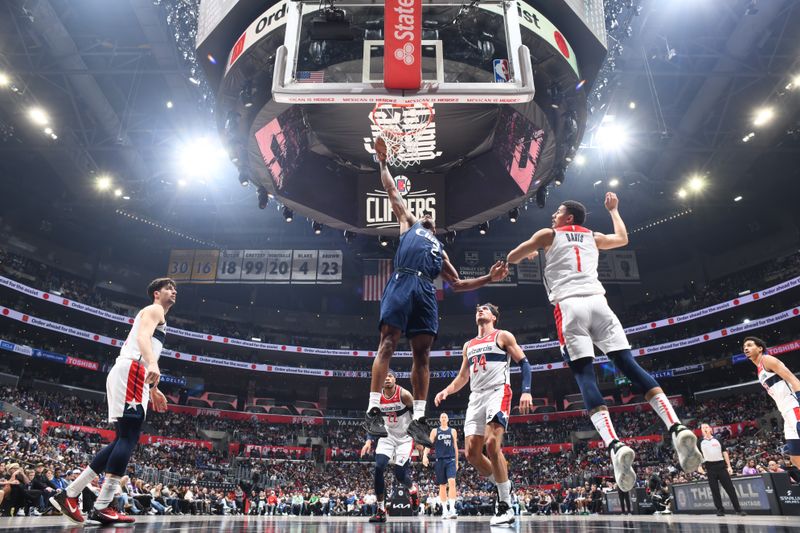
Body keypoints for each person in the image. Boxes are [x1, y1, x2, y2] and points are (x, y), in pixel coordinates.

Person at [505, 193, 702, 491]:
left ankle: (614, 444)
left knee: (585, 377)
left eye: (558, 212)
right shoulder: (593, 237)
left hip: (569, 308)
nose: (553, 216)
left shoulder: (548, 234)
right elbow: (622, 238)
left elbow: (511, 256)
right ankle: (676, 426)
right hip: (600, 304)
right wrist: (614, 210)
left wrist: (532, 252)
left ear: (569, 218)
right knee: (628, 364)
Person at [364, 137, 509, 447]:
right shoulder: (408, 223)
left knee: (422, 354)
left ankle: (418, 417)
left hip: (425, 292)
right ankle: (373, 410)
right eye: (426, 214)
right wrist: (382, 161)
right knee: (388, 342)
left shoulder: (440, 251)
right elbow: (391, 190)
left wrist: (488, 278)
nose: (429, 215)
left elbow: (457, 284)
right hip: (403, 281)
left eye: (433, 217)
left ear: (437, 229)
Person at [50, 278, 176, 525]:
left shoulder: (159, 315)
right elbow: (142, 338)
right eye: (169, 288)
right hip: (132, 370)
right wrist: (152, 365)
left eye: (175, 289)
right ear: (156, 293)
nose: (174, 291)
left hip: (134, 373)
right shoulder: (155, 309)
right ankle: (101, 504)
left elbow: (144, 346)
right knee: (129, 437)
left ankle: (72, 494)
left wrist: (153, 388)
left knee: (123, 438)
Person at [434, 303, 533, 525]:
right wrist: (446, 391)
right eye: (478, 309)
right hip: (476, 397)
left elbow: (525, 364)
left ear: (494, 317)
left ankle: (505, 505)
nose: (480, 310)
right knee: (471, 454)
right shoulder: (468, 345)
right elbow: (462, 377)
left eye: (486, 309)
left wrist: (526, 391)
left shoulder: (503, 336)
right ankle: (505, 484)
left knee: (492, 444)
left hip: (498, 391)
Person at [360, 370, 421, 523]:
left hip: (405, 438)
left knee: (400, 475)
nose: (387, 378)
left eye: (390, 376)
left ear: (395, 379)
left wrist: (419, 438)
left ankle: (412, 490)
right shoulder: (377, 398)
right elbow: (372, 420)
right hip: (387, 436)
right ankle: (381, 510)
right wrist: (368, 441)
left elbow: (418, 415)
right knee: (379, 467)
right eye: (385, 376)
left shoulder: (404, 395)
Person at [744, 336, 800, 468]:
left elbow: (793, 379)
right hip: (785, 412)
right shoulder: (759, 369)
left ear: (760, 348)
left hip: (793, 406)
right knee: (795, 456)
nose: (746, 348)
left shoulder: (767, 360)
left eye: (750, 345)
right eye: (744, 347)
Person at [697, 423, 746, 517]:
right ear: (701, 431)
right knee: (715, 490)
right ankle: (720, 510)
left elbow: (725, 452)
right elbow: (698, 455)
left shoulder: (718, 439)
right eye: (703, 428)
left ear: (710, 429)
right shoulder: (699, 442)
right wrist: (699, 466)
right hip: (710, 467)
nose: (705, 429)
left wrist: (729, 466)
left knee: (730, 489)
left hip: (721, 466)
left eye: (706, 427)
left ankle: (738, 509)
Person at [422, 412, 459, 519]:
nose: (443, 418)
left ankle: (452, 509)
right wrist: (425, 455)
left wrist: (456, 462)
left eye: (445, 417)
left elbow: (455, 447)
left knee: (452, 482)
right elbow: (428, 444)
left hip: (450, 459)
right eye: (442, 417)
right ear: (440, 419)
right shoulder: (435, 431)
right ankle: (445, 510)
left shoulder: (453, 431)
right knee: (442, 485)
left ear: (447, 419)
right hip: (439, 460)